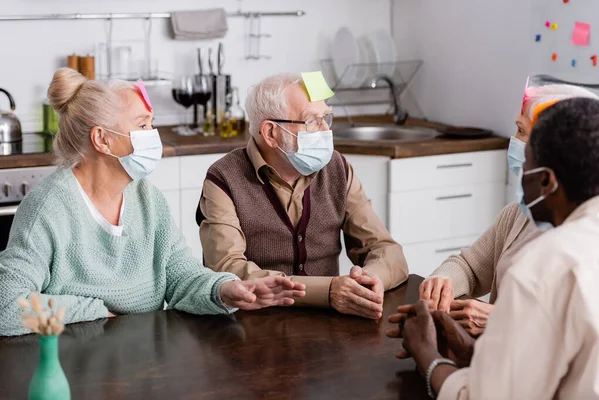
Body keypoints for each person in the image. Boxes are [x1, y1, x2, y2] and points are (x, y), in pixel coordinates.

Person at [0, 68, 306, 337]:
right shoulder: (48, 208)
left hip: (140, 362)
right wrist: (93, 310)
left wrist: (224, 290)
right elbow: (6, 306)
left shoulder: (148, 198)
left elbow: (179, 275)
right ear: (102, 139)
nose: (154, 135)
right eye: (143, 125)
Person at [388, 97, 599, 399]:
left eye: (527, 163)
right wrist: (477, 353)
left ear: (547, 181)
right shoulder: (528, 221)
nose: (519, 171)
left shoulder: (544, 265)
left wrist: (427, 354)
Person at [197, 73, 408, 320]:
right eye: (312, 121)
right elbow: (227, 269)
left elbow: (385, 249)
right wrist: (326, 292)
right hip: (252, 325)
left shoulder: (337, 169)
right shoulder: (224, 178)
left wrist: (372, 280)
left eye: (325, 117)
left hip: (332, 323)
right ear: (271, 133)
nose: (326, 130)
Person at [419, 81, 599, 336]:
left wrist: (501, 320)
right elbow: (470, 266)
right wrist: (442, 282)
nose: (514, 141)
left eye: (521, 130)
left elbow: (576, 331)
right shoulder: (520, 213)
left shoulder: (586, 238)